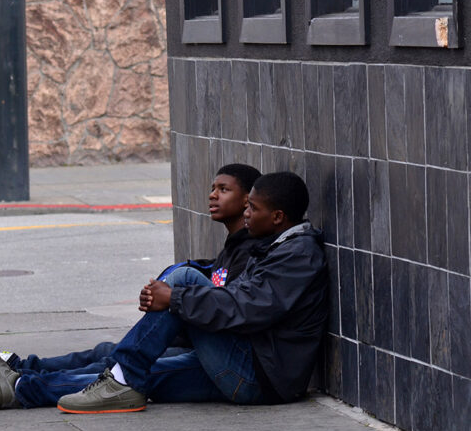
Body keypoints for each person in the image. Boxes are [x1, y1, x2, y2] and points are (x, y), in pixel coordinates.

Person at [0, 164, 277, 410]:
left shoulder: (254, 252)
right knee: (113, 357)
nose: (213, 195)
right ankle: (18, 371)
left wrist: (172, 303)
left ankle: (20, 386)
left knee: (129, 371)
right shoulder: (234, 248)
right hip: (211, 350)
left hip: (231, 365)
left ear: (252, 201)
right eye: (212, 188)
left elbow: (229, 311)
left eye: (224, 190)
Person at [55, 171, 328, 413]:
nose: (246, 213)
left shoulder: (298, 255)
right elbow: (239, 297)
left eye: (252, 208)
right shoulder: (278, 245)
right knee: (139, 372)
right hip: (248, 363)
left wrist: (173, 298)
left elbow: (247, 307)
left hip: (258, 377)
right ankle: (21, 387)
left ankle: (123, 375)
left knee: (183, 280)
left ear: (278, 216)